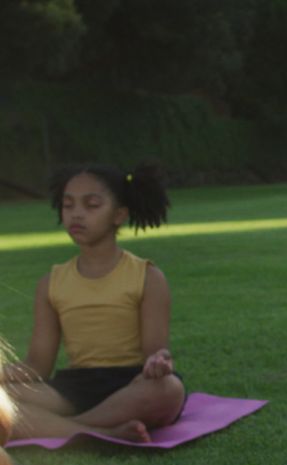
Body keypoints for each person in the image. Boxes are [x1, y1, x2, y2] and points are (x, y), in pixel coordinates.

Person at [3, 164, 185, 443]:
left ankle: (62, 428)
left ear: (119, 214)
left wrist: (159, 363)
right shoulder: (51, 282)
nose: (76, 214)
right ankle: (101, 432)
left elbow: (154, 353)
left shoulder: (148, 276)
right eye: (68, 205)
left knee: (169, 390)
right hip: (73, 388)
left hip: (130, 385)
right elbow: (37, 366)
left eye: (91, 205)